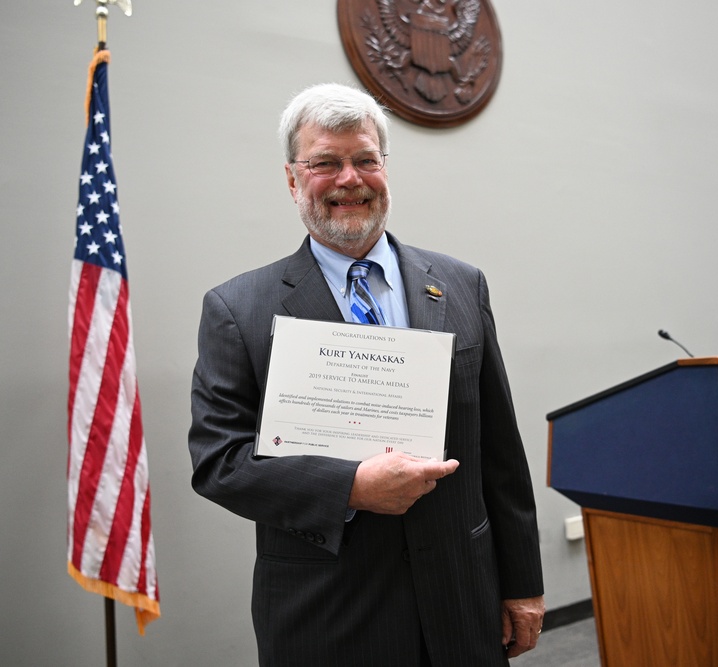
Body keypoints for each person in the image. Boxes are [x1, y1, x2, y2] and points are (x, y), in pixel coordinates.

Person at [188, 82, 544, 666]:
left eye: (364, 160)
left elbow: (499, 448)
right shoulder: (238, 308)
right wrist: (350, 488)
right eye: (325, 162)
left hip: (463, 603)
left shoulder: (460, 285)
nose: (349, 179)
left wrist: (522, 581)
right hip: (329, 615)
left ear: (384, 167)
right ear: (292, 179)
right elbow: (218, 462)